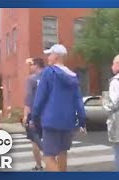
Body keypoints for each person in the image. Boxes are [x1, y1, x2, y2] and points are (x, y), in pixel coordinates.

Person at [31, 44, 86, 172]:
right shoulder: (73, 76)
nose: (48, 57)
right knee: (62, 152)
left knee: (48, 156)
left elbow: (40, 98)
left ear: (56, 56)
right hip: (68, 121)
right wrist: (82, 121)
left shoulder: (48, 73)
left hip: (51, 120)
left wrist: (34, 117)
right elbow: (78, 100)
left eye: (50, 54)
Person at [22, 57, 45, 171]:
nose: (30, 67)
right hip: (48, 112)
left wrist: (26, 115)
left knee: (35, 140)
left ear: (36, 65)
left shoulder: (31, 79)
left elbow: (28, 98)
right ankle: (54, 164)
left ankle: (39, 165)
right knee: (50, 138)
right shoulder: (49, 77)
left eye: (31, 65)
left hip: (35, 114)